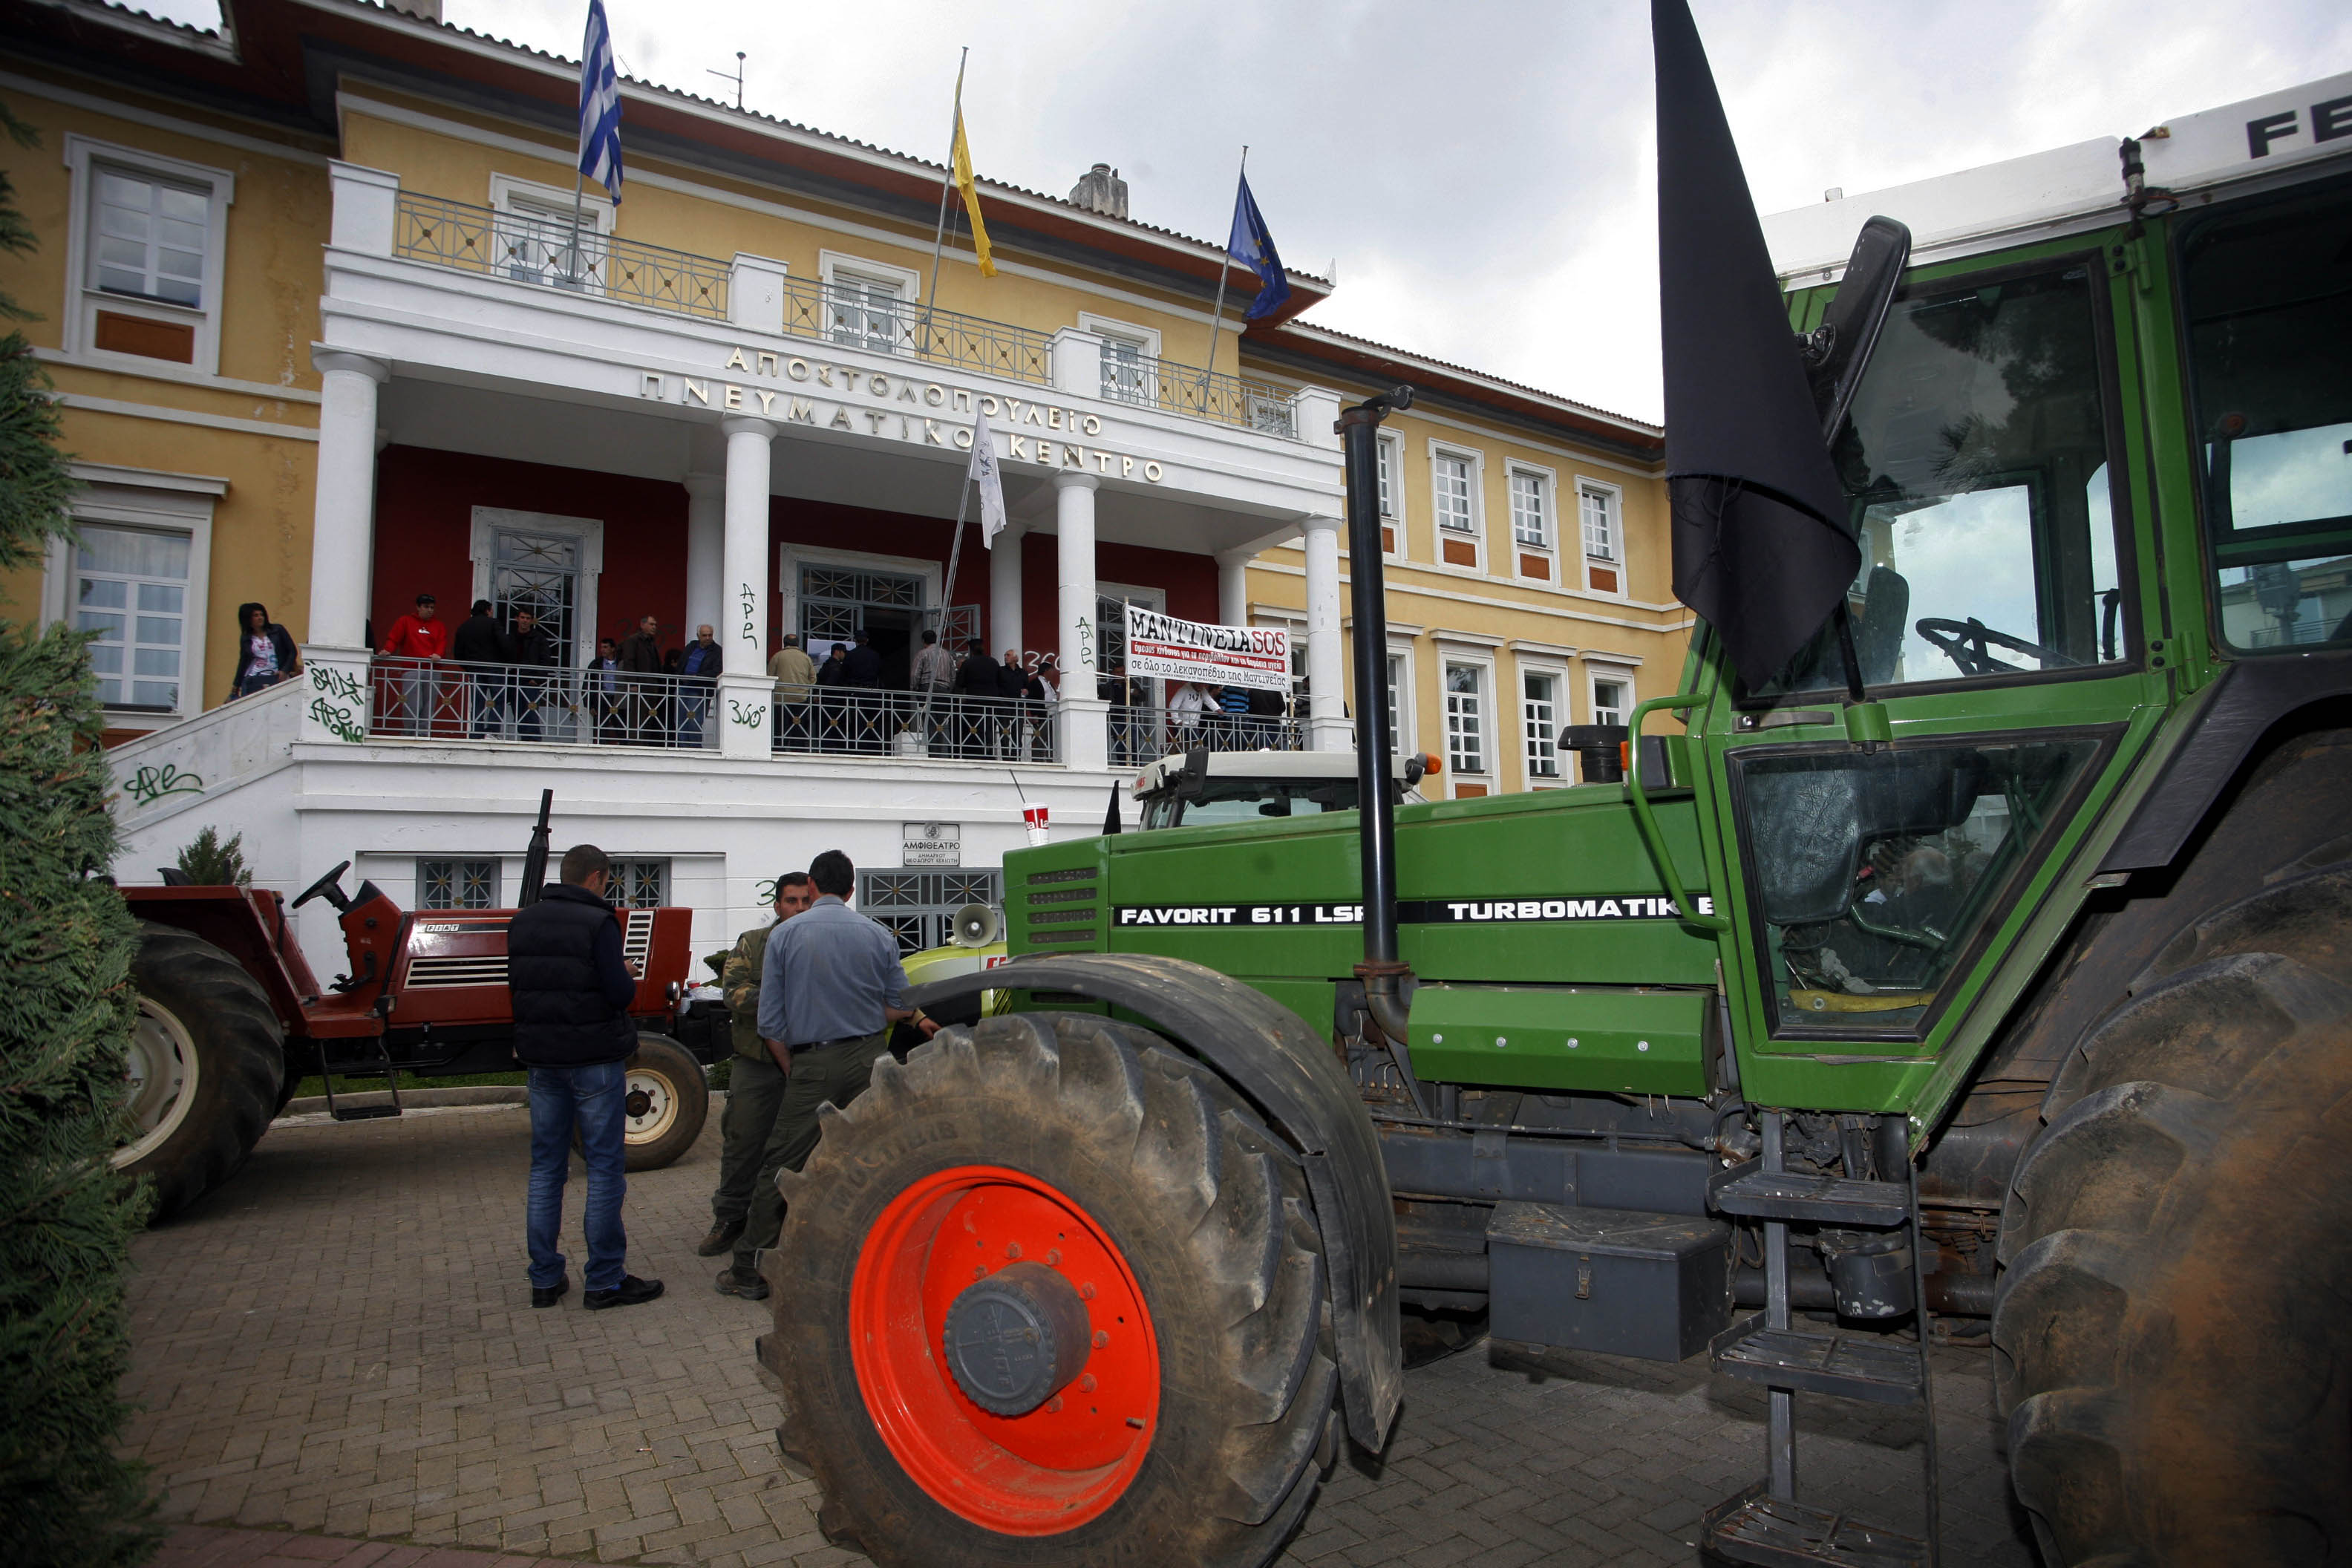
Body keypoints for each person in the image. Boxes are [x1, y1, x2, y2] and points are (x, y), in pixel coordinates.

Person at [720, 851, 938, 1299]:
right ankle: (877, 1256)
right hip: (868, 1060)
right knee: (875, 1155)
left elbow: (770, 1022)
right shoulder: (878, 935)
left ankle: (749, 1268)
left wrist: (794, 1066)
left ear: (814, 887)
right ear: (852, 890)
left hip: (812, 1062)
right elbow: (900, 1000)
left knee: (782, 1163)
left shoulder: (785, 937)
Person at [507, 843, 662, 1312]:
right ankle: (605, 1280)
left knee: (546, 1168)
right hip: (594, 1059)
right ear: (597, 877)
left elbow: (519, 987)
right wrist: (626, 972)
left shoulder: (523, 921)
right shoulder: (598, 922)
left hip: (542, 1061)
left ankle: (545, 1279)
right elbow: (616, 993)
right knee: (603, 1169)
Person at [697, 872, 816, 1259]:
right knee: (743, 1142)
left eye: (805, 901)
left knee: (806, 1147)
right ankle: (730, 1218)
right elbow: (734, 993)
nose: (799, 908)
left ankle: (790, 1222)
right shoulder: (753, 944)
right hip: (758, 1063)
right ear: (777, 905)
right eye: (791, 901)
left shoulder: (820, 944)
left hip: (808, 1061)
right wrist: (783, 996)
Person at [381, 592, 448, 737]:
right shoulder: (405, 621)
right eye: (426, 607)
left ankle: (423, 732)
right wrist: (388, 650)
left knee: (429, 704)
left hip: (433, 669)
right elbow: (394, 639)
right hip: (412, 668)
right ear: (418, 607)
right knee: (412, 703)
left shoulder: (438, 625)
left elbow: (442, 642)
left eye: (432, 607)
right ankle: (410, 731)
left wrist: (439, 654)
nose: (430, 610)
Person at [453, 598, 506, 738]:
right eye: (491, 610)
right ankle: (492, 732)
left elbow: (458, 652)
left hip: (474, 670)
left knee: (477, 702)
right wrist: (507, 662)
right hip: (494, 667)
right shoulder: (494, 623)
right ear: (487, 610)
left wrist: (468, 667)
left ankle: (476, 733)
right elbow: (504, 644)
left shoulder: (464, 627)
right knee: (498, 700)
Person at [508, 607, 558, 741]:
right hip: (513, 680)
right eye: (523, 617)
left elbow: (546, 659)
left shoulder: (539, 638)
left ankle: (534, 740)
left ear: (532, 621)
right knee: (518, 712)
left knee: (531, 711)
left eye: (528, 618)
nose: (525, 621)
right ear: (517, 619)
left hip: (530, 681)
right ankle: (525, 739)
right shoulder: (511, 637)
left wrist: (537, 679)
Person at [230, 602, 299, 699]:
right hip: (253, 678)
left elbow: (292, 651)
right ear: (248, 619)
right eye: (256, 615)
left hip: (276, 676)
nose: (260, 618)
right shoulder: (246, 638)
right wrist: (236, 685)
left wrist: (285, 671)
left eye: (262, 614)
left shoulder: (278, 630)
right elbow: (243, 661)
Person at [616, 614, 665, 746]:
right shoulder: (633, 640)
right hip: (640, 684)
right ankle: (636, 743)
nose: (654, 627)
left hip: (652, 685)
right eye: (651, 624)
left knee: (649, 715)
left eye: (655, 625)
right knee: (637, 716)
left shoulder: (650, 642)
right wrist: (633, 683)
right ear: (642, 625)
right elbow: (629, 662)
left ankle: (645, 742)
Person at [950, 638, 1002, 758]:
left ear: (971, 650)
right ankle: (989, 752)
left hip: (975, 701)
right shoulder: (993, 662)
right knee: (989, 727)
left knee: (976, 726)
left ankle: (977, 753)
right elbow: (1000, 681)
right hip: (992, 701)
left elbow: (960, 682)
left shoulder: (969, 663)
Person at [768, 633, 817, 751]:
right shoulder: (806, 658)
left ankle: (779, 750)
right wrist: (805, 689)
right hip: (801, 699)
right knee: (799, 729)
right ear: (797, 644)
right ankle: (798, 751)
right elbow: (813, 678)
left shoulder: (778, 656)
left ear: (785, 643)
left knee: (781, 729)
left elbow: (770, 676)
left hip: (781, 699)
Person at [677, 624, 722, 747]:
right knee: (681, 720)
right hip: (683, 686)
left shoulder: (717, 650)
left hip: (699, 689)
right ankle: (683, 747)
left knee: (694, 720)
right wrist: (678, 678)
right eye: (704, 635)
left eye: (710, 635)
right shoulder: (691, 646)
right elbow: (682, 663)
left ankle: (695, 747)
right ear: (698, 636)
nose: (708, 638)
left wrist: (698, 676)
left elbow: (717, 670)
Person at [842, 630, 884, 754]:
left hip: (856, 692)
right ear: (867, 641)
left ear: (855, 641)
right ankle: (875, 748)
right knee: (873, 721)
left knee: (857, 722)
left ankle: (858, 748)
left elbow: (844, 674)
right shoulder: (875, 655)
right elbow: (880, 673)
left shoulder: (850, 655)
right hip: (872, 692)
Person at [585, 636, 623, 743]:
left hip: (618, 698)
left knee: (621, 726)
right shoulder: (596, 664)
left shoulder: (621, 663)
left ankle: (624, 747)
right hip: (602, 698)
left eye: (606, 647)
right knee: (601, 728)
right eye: (602, 647)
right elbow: (588, 684)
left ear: (613, 649)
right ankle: (600, 748)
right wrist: (590, 704)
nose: (603, 650)